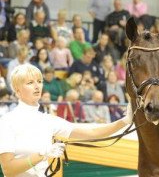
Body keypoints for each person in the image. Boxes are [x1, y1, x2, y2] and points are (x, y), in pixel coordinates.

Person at [0, 63, 132, 176]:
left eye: (39, 81)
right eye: (30, 83)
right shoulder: (7, 121)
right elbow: (8, 169)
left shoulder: (48, 121)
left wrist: (125, 121)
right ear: (17, 91)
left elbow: (92, 133)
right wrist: (42, 154)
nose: (37, 86)